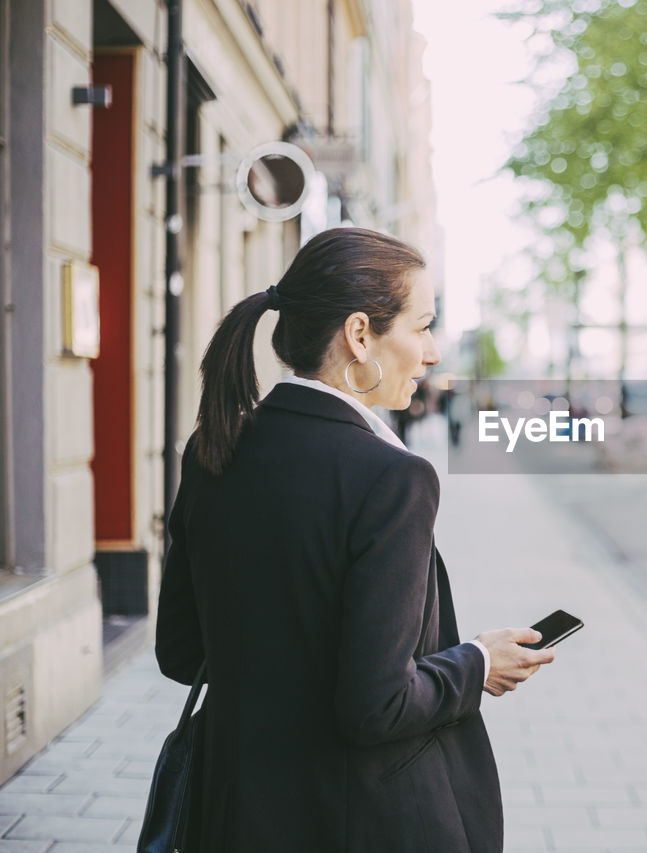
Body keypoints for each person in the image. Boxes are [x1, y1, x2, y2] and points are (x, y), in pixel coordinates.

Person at [156, 227, 554, 853]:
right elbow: (378, 707)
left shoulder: (213, 452)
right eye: (422, 327)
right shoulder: (392, 478)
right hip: (359, 821)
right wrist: (477, 662)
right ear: (360, 334)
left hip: (231, 815)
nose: (432, 353)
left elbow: (181, 654)